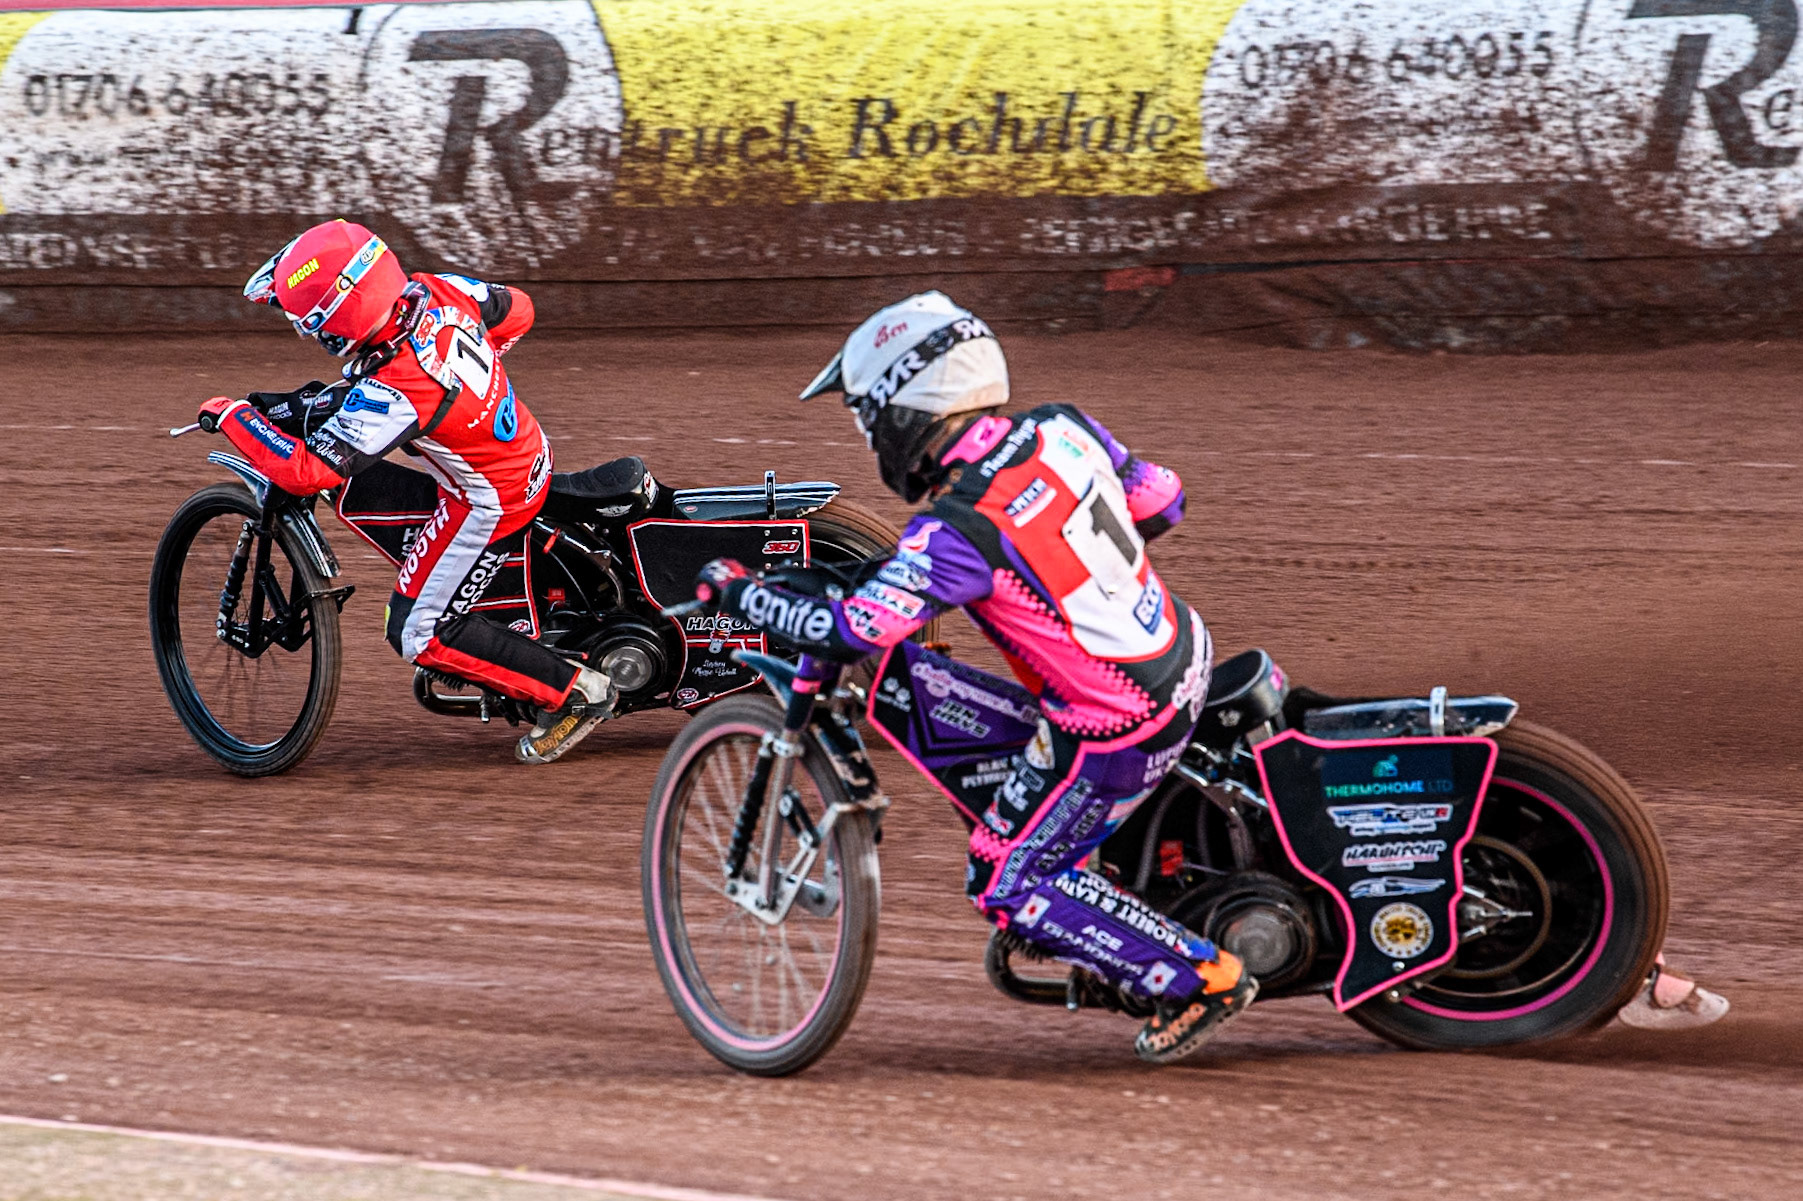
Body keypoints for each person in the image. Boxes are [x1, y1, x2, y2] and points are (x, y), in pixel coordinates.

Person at [690, 291, 1257, 1064]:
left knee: (1005, 875)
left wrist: (736, 591)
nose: (868, 436)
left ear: (904, 407)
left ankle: (1201, 977)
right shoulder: (1061, 425)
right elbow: (1162, 500)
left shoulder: (957, 529)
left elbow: (850, 628)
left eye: (867, 417)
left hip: (1113, 723)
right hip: (1181, 652)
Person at [197, 219, 614, 764]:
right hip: (521, 453)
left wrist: (235, 417)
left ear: (336, 324)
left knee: (416, 631)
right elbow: (519, 310)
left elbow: (304, 473)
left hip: (488, 501)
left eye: (309, 324)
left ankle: (578, 694)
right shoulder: (433, 288)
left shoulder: (397, 388)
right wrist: (469, 387)